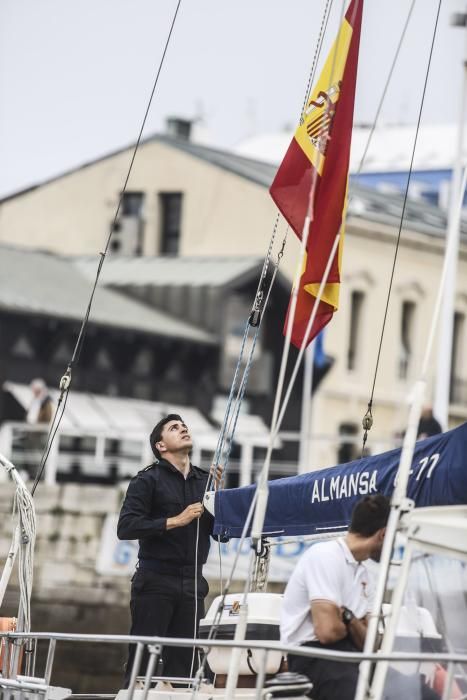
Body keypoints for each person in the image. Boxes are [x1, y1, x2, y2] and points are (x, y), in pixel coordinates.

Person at [281, 494, 439, 700]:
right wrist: (357, 626)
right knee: (359, 694)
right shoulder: (324, 556)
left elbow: (371, 643)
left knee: (422, 695)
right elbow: (327, 632)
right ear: (383, 534)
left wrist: (347, 617)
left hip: (354, 658)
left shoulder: (365, 574)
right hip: (313, 657)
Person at [117, 413, 220, 686]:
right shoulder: (147, 480)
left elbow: (219, 532)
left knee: (188, 668)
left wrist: (219, 497)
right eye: (174, 428)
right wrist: (177, 520)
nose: (183, 429)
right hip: (155, 581)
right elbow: (126, 527)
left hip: (193, 584)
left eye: (184, 426)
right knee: (142, 661)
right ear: (160, 446)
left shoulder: (205, 480)